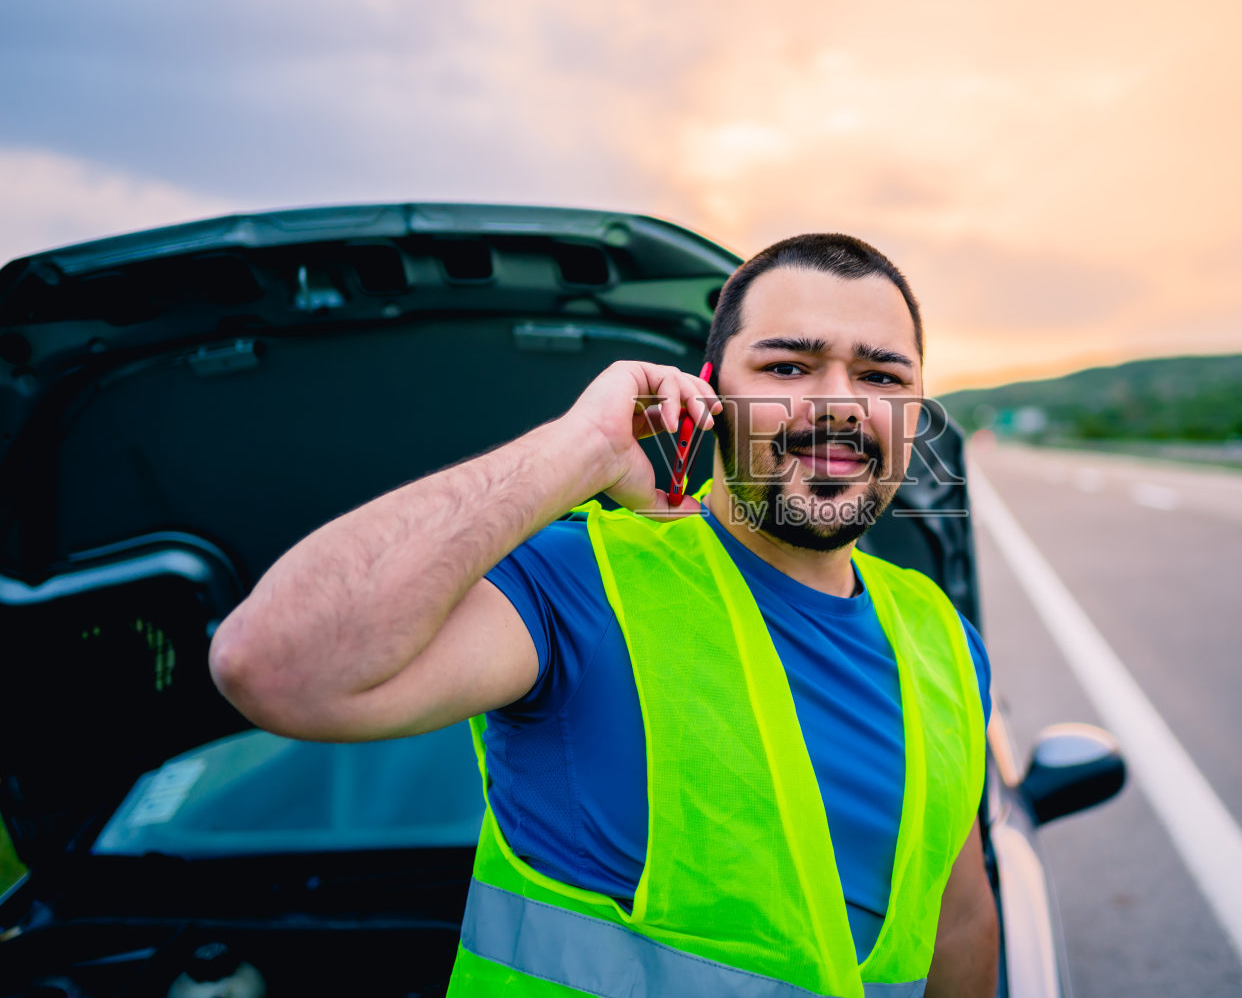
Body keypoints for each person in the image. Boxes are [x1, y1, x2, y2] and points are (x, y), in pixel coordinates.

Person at [209, 233, 998, 997]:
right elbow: (275, 664)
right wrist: (579, 446)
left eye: (883, 378)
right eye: (788, 366)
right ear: (710, 392)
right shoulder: (579, 580)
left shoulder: (942, 640)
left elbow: (956, 921)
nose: (838, 405)